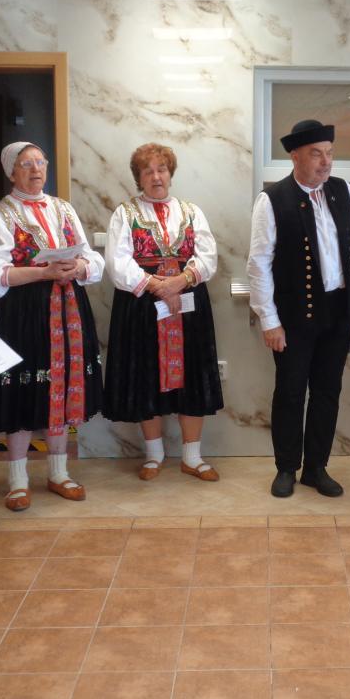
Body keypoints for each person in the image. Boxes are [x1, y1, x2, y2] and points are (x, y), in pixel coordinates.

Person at [247, 119, 350, 498]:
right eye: (316, 154)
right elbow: (258, 264)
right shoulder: (272, 199)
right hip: (294, 315)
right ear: (295, 156)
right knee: (290, 392)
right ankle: (287, 467)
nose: (326, 162)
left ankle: (316, 469)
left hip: (338, 310)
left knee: (327, 392)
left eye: (329, 153)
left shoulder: (343, 191)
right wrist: (269, 320)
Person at [0, 142, 104, 511]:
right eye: (25, 164)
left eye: (39, 162)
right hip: (23, 311)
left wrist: (78, 267)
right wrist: (42, 272)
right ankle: (17, 480)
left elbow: (92, 259)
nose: (35, 170)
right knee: (23, 388)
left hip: (67, 307)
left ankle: (59, 473)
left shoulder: (63, 208)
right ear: (10, 171)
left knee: (60, 384)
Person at [103, 143, 223, 480]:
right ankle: (153, 455)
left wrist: (181, 281)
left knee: (192, 374)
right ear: (139, 178)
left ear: (171, 173)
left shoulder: (191, 211)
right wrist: (158, 286)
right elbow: (117, 262)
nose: (156, 177)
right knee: (147, 376)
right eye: (148, 171)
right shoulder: (125, 213)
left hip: (189, 305)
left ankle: (192, 457)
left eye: (162, 169)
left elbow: (208, 256)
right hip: (142, 305)